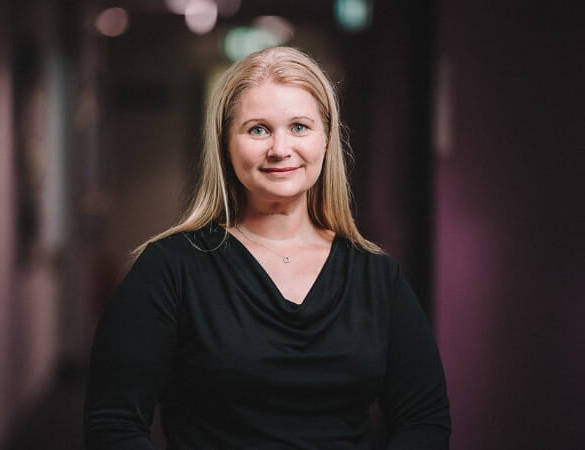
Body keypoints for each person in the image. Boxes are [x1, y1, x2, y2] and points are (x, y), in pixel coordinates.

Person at [83, 46, 450, 449]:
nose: (280, 148)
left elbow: (424, 420)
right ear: (226, 144)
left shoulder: (377, 276)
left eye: (299, 127)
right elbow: (113, 425)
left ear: (326, 139)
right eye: (257, 129)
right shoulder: (171, 268)